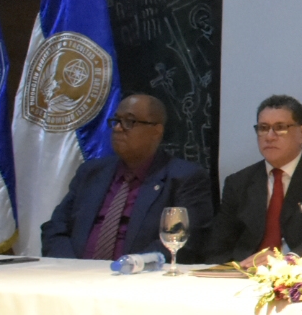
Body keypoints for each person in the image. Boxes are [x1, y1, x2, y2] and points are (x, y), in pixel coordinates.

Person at [41, 94, 213, 262]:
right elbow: (55, 228)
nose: (117, 128)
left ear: (156, 131)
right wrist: (72, 266)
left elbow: (186, 239)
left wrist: (132, 266)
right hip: (75, 273)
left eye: (129, 122)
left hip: (138, 275)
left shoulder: (184, 178)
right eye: (116, 121)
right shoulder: (91, 172)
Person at [205, 95, 302, 265]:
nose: (269, 136)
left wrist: (288, 261)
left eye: (280, 128)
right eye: (263, 128)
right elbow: (218, 246)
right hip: (246, 273)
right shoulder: (238, 182)